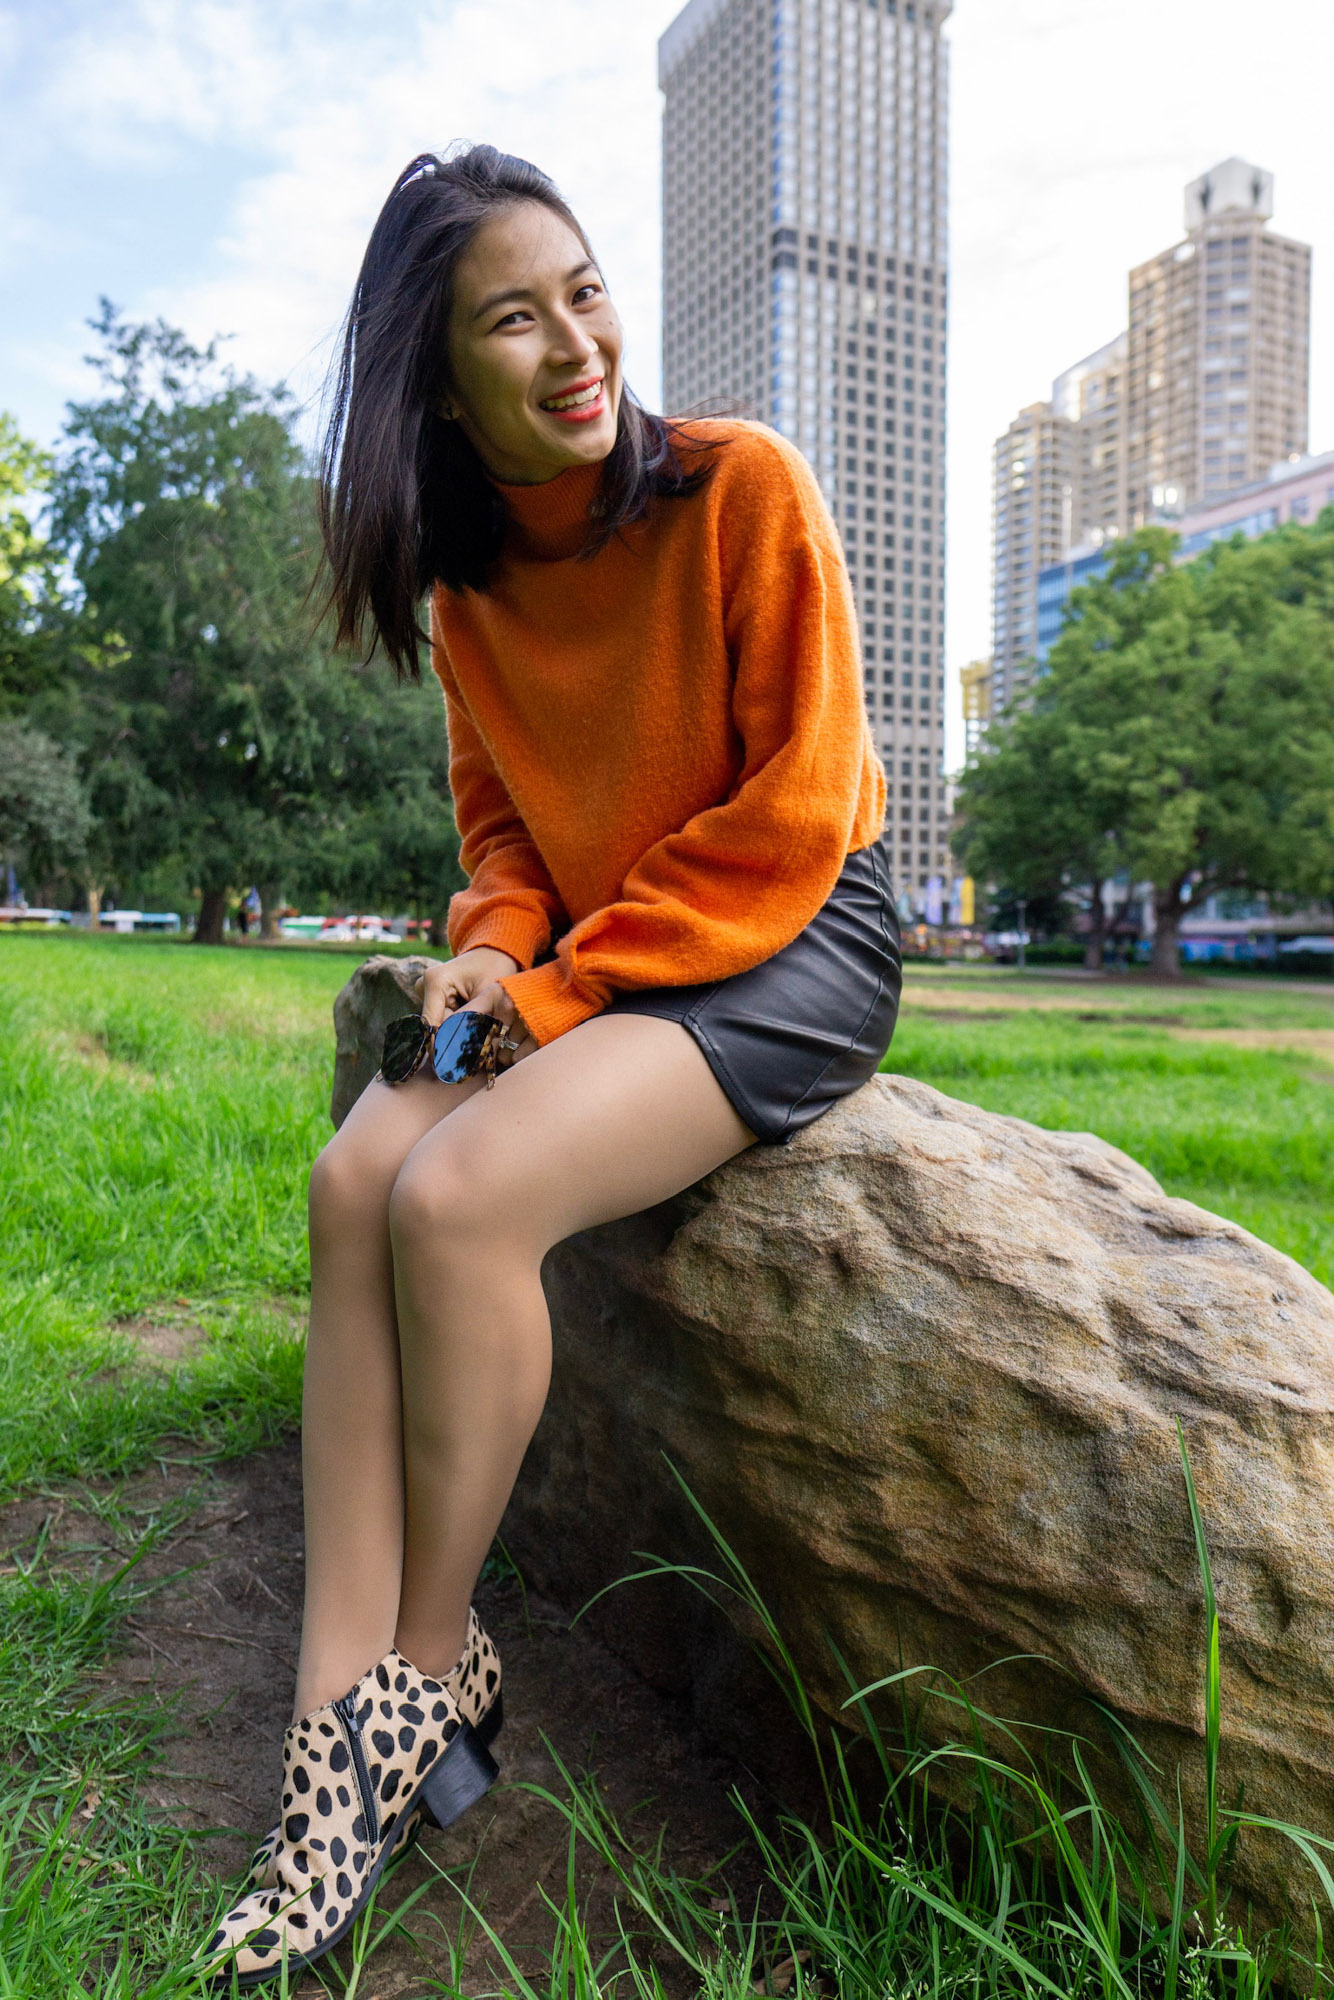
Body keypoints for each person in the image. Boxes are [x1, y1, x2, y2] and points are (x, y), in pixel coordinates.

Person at [198, 143, 901, 1987]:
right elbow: (507, 839)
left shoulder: (740, 488)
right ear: (439, 380)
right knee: (362, 1172)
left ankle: (425, 1677)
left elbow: (795, 816)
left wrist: (562, 996)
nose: (577, 342)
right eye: (517, 317)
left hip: (789, 935)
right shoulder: (472, 588)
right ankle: (328, 1716)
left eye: (584, 290)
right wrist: (495, 957)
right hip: (590, 952)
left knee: (460, 1196)